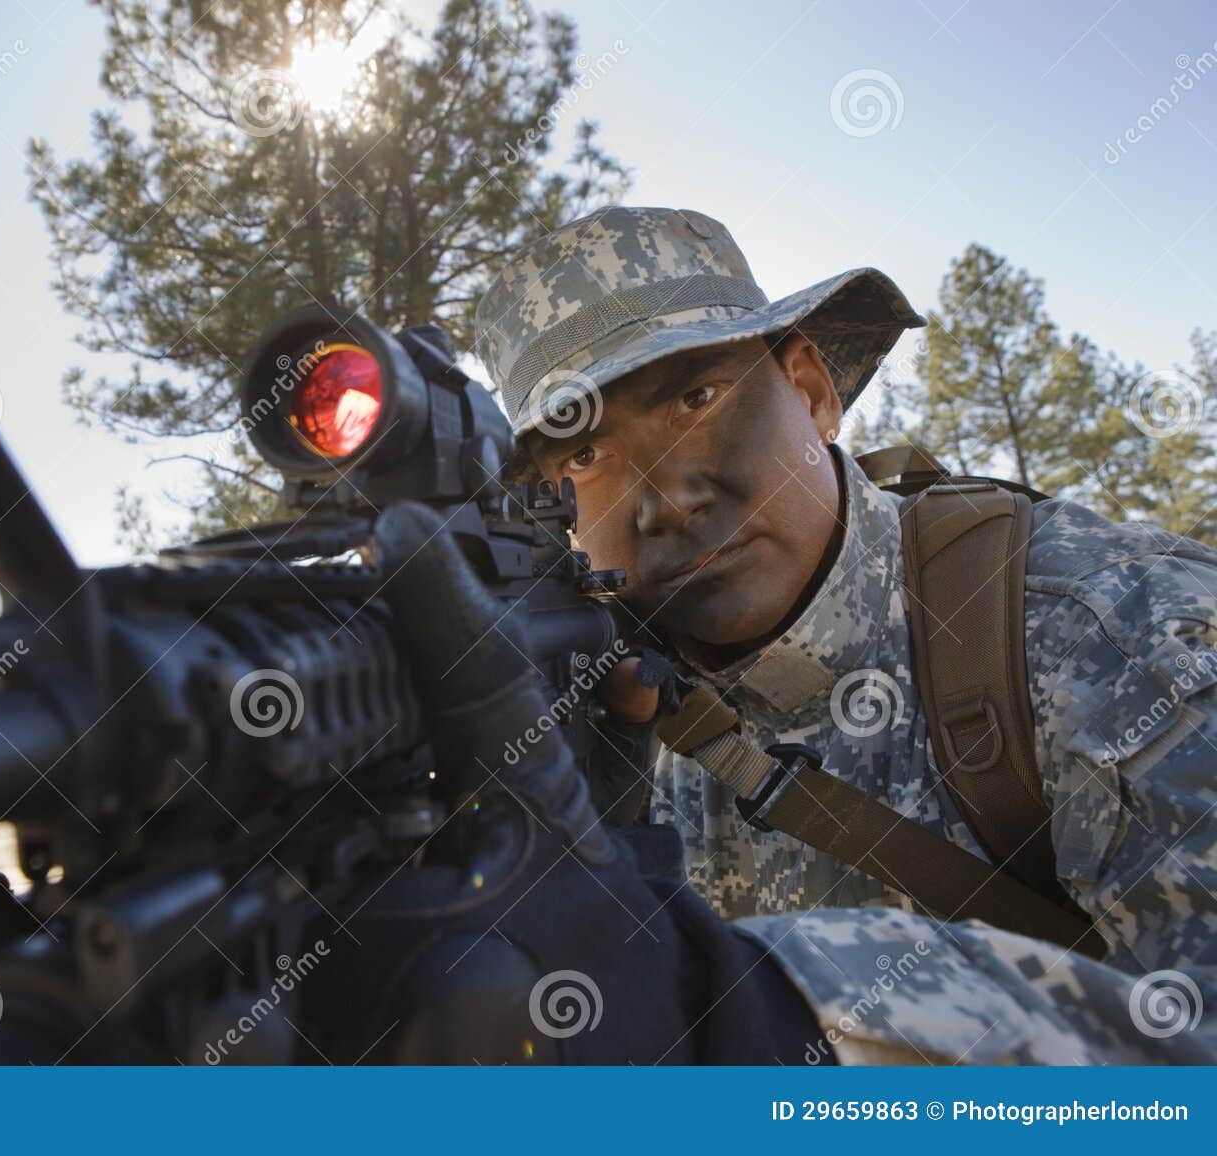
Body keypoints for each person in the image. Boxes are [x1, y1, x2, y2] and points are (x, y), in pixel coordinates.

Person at [456, 205, 1217, 1062]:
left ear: (811, 391)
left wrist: (797, 1008)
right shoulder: (586, 722)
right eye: (583, 458)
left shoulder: (1123, 638)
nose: (668, 499)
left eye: (695, 398)